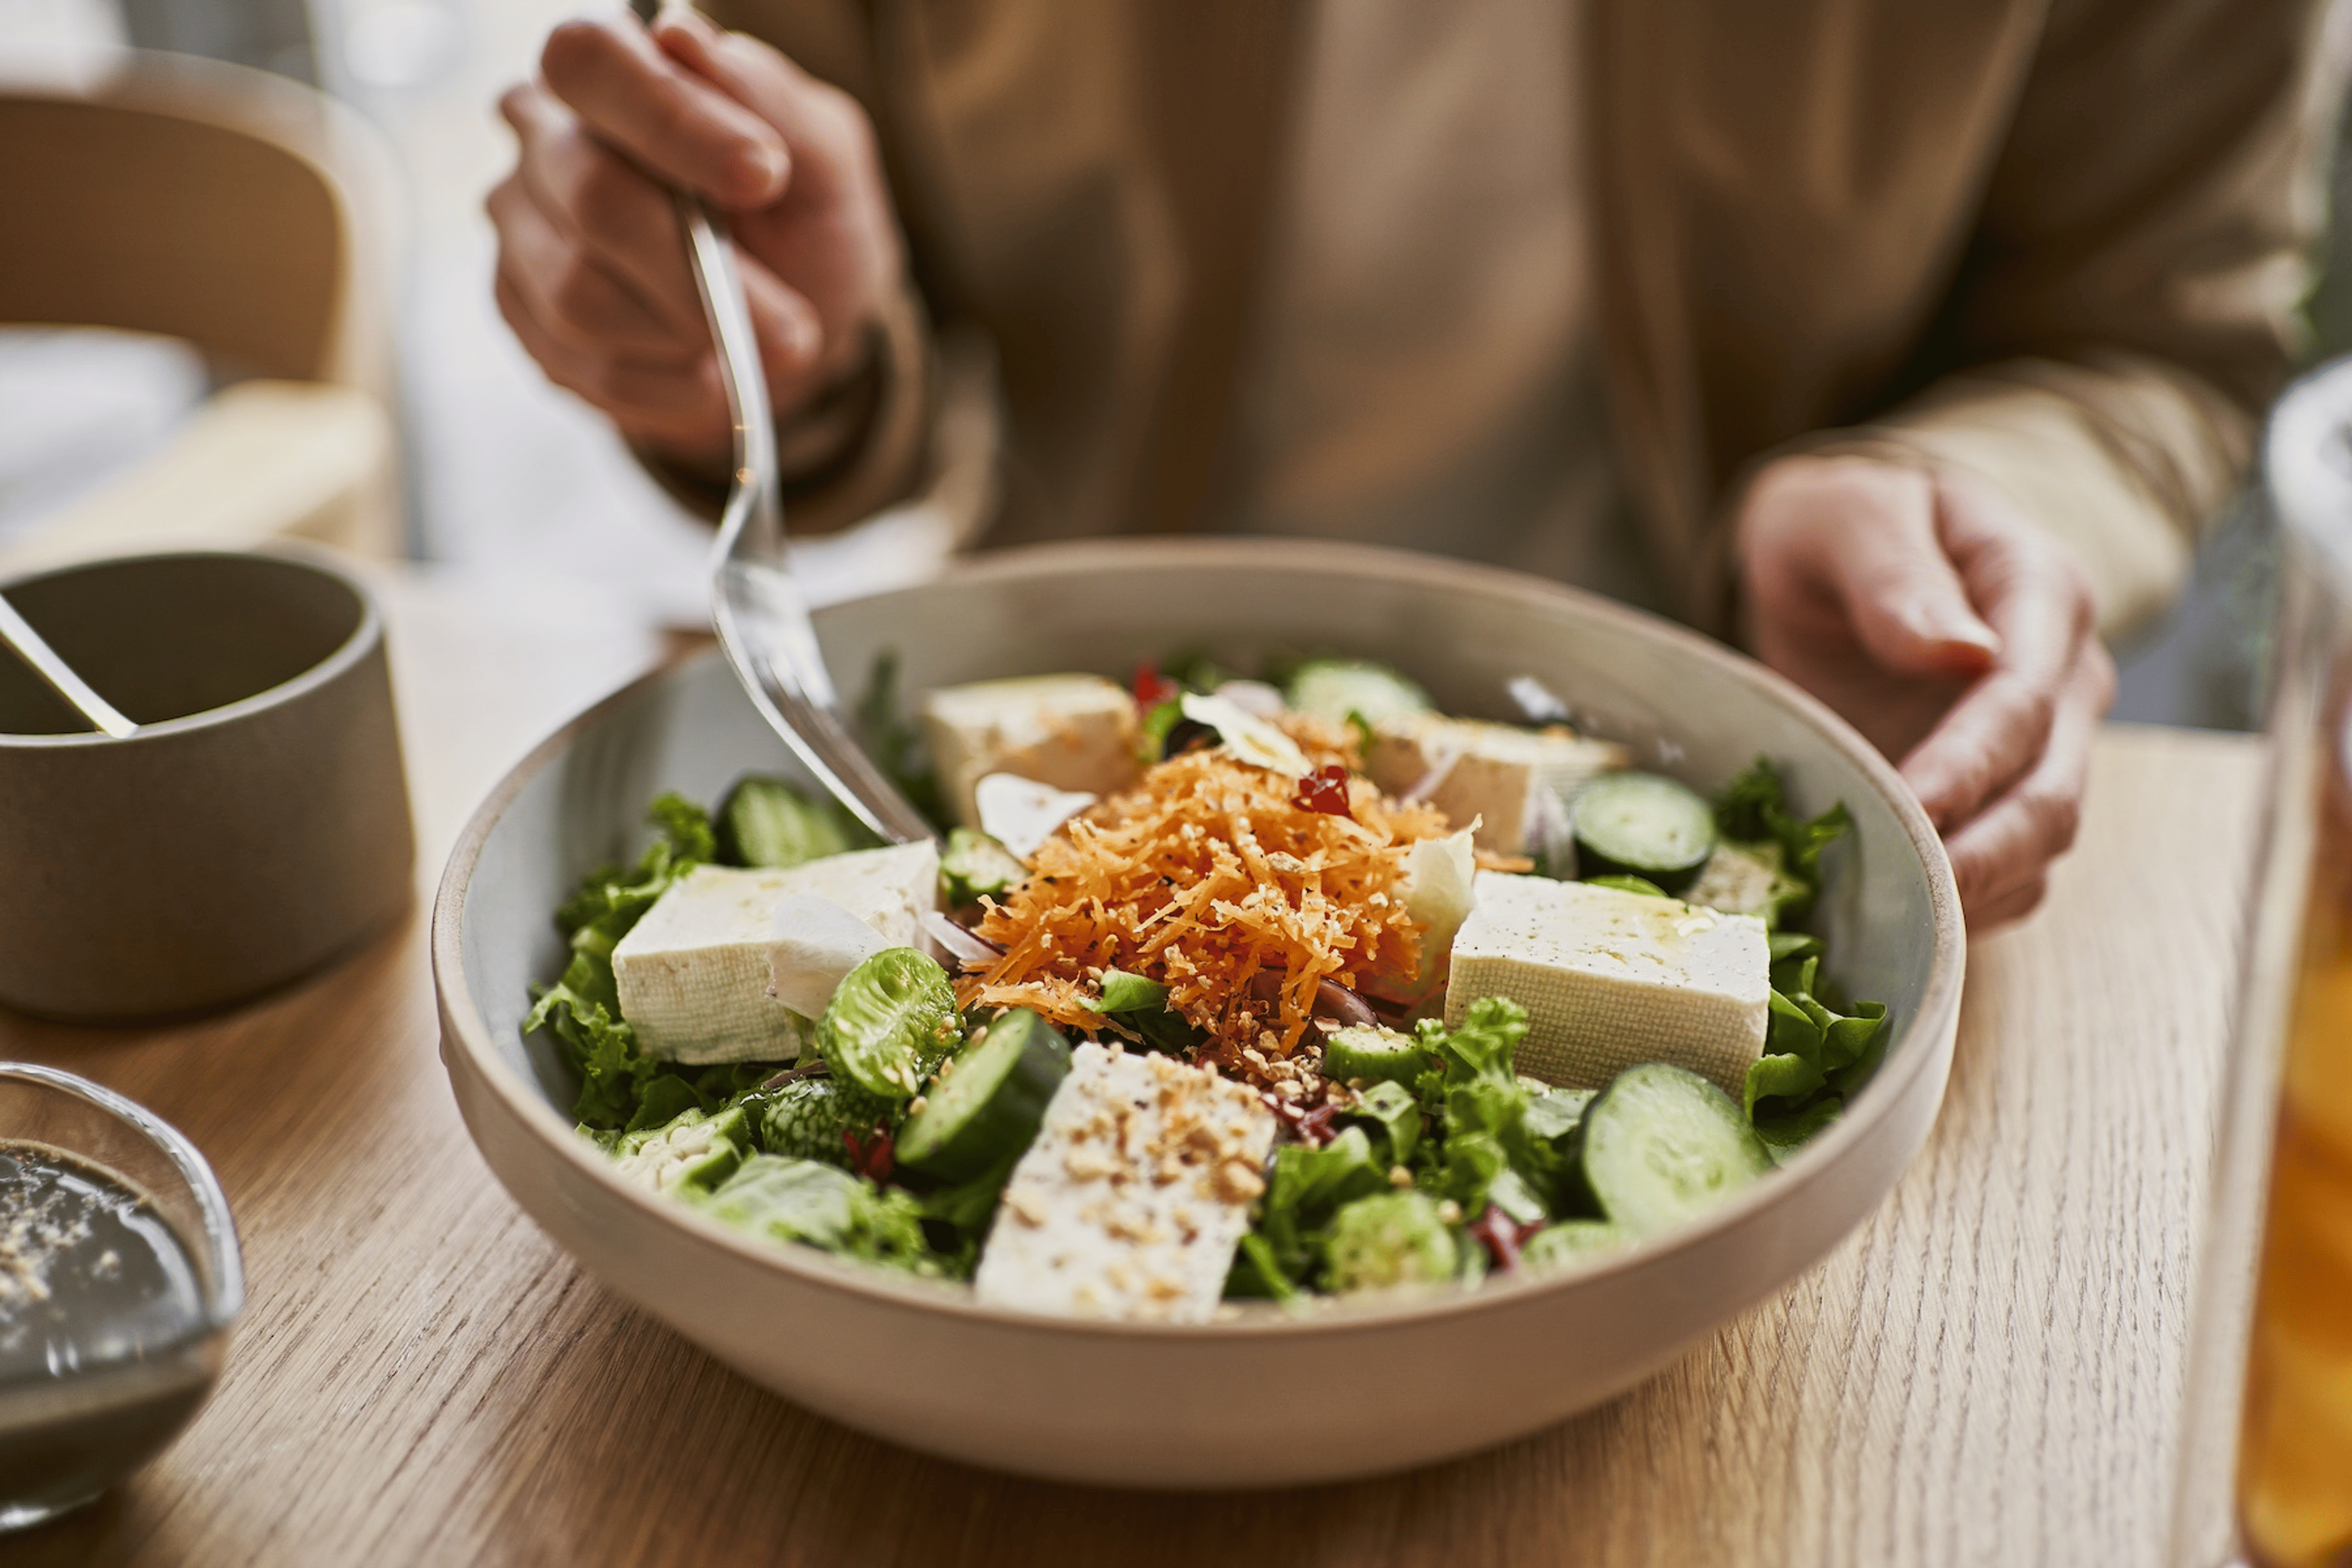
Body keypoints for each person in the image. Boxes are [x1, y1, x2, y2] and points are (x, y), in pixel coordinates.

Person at [487, 0, 2331, 927]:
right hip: (1060, 686)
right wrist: (745, 323)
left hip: (1756, 742)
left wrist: (1960, 496)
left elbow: (2151, 333)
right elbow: (778, 177)